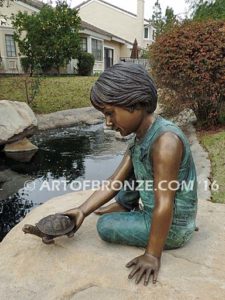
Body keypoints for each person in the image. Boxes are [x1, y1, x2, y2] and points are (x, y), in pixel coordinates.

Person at [65, 63, 198, 286]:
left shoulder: (165, 142)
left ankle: (135, 214)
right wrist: (81, 211)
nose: (107, 123)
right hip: (156, 207)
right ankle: (126, 205)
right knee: (135, 167)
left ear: (136, 104)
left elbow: (164, 203)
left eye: (110, 113)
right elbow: (114, 181)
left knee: (105, 226)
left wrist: (152, 255)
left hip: (173, 225)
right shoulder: (141, 137)